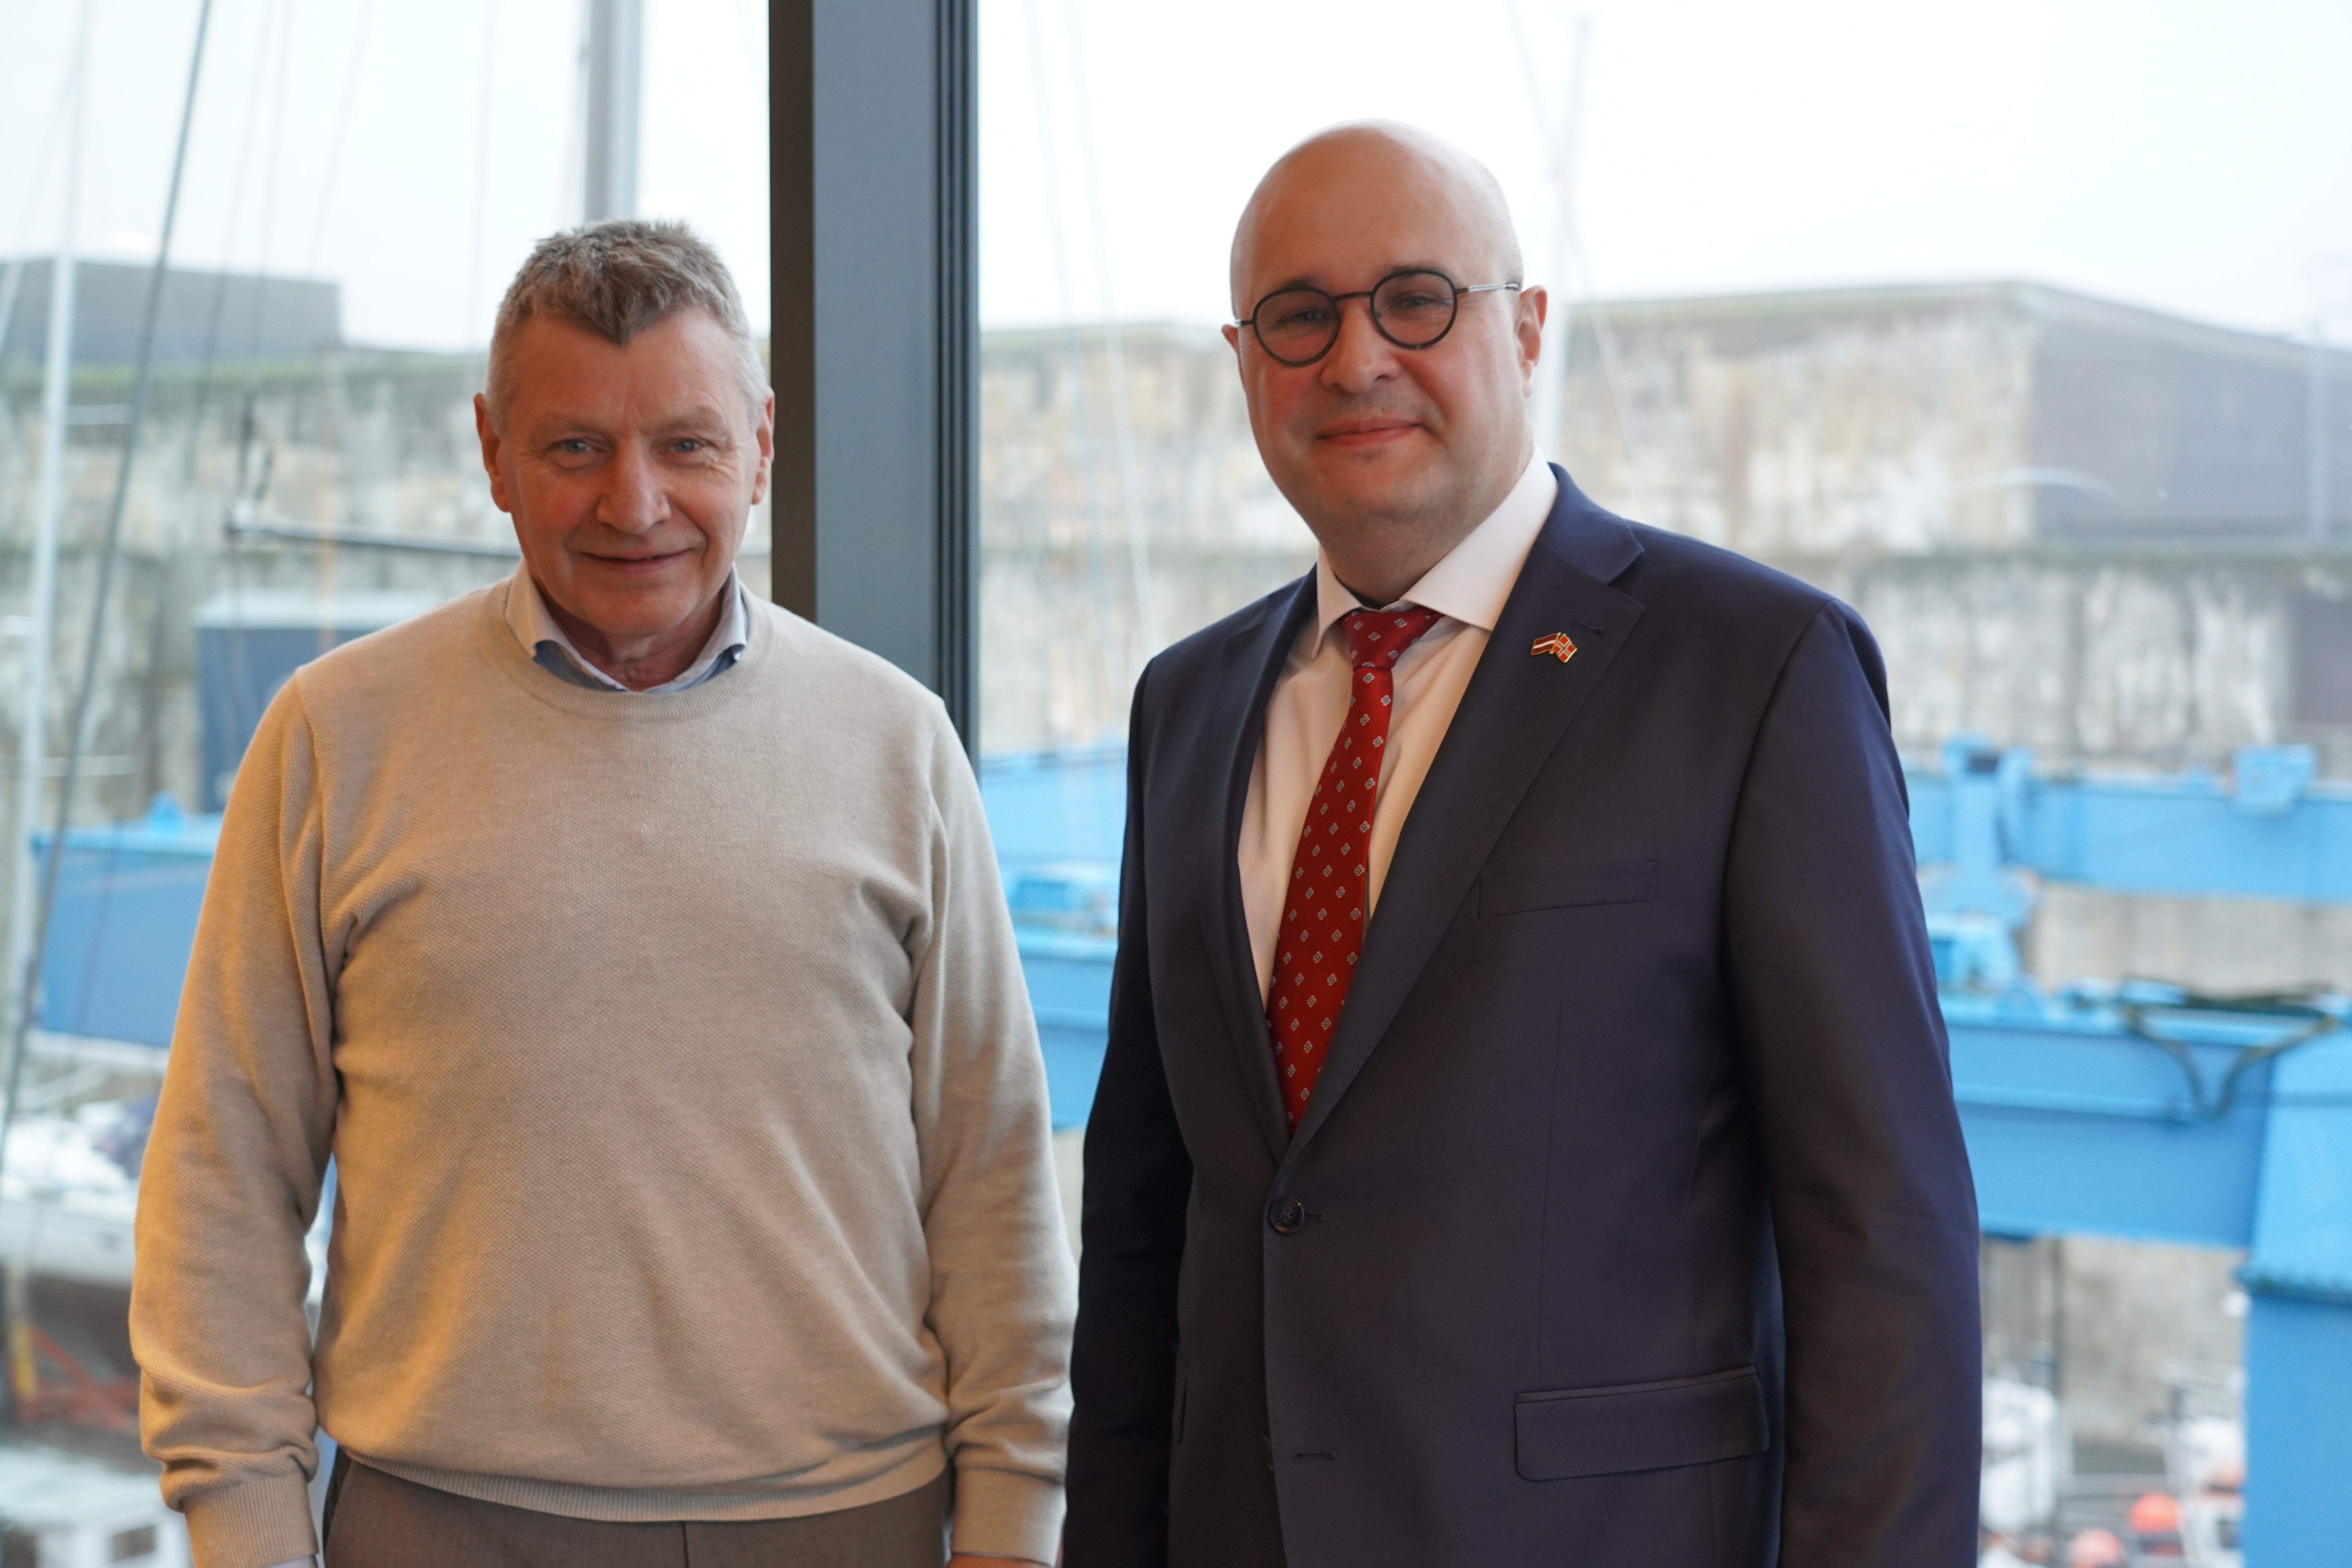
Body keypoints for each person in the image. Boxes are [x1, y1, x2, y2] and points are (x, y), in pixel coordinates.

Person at [1065, 123, 1981, 1566]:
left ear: (1530, 328)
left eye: (1417, 298)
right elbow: (1141, 1224)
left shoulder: (1753, 670)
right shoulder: (1187, 705)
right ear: (1245, 364)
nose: (1359, 358)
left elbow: (1882, 1238)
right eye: (1299, 317)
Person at [131, 220, 1073, 1568]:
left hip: (848, 1522)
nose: (635, 504)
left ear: (761, 443)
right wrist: (247, 1529)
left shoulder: (898, 740)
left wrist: (1011, 1528)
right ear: (493, 451)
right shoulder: (336, 736)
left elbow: (990, 1173)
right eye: (576, 447)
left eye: (686, 445)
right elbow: (224, 1175)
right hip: (436, 1522)